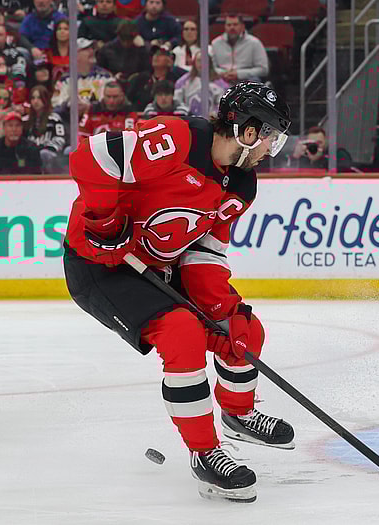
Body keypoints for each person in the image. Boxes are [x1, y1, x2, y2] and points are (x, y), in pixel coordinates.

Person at [62, 81, 295, 503]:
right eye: (269, 137)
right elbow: (91, 156)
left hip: (157, 266)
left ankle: (239, 414)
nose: (269, 149)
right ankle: (205, 453)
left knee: (242, 328)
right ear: (246, 130)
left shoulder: (241, 186)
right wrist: (103, 220)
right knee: (183, 334)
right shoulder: (179, 140)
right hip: (99, 267)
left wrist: (223, 311)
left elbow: (206, 250)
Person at [51, 38, 114, 117]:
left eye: (92, 48)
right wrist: (70, 106)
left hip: (98, 119)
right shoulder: (65, 80)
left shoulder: (105, 77)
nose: (91, 51)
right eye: (86, 49)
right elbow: (56, 103)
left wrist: (91, 107)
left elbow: (113, 102)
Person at [210, 13, 269, 85]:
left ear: (242, 26)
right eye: (229, 25)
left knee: (254, 82)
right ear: (225, 27)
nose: (232, 27)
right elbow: (211, 67)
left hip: (247, 79)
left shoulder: (254, 43)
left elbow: (263, 69)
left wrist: (238, 74)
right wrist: (223, 73)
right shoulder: (216, 43)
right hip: (222, 79)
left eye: (235, 24)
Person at [126, 46, 183, 112]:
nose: (156, 56)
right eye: (155, 54)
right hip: (142, 116)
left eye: (161, 55)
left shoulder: (175, 80)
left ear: (170, 61)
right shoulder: (141, 78)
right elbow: (129, 98)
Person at [174, 50, 229, 117]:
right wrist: (187, 112)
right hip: (188, 118)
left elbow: (222, 104)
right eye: (199, 60)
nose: (202, 63)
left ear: (209, 63)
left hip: (211, 119)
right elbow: (177, 101)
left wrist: (213, 114)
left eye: (204, 60)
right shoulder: (182, 81)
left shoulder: (220, 84)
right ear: (194, 63)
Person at [24, 84, 65, 172]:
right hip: (30, 153)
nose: (35, 101)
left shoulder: (54, 118)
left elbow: (60, 139)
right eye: (33, 98)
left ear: (45, 99)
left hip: (50, 154)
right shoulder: (25, 120)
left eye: (39, 98)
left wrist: (46, 148)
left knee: (43, 154)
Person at [97, 19, 151, 86]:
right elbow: (99, 70)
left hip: (136, 84)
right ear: (118, 35)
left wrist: (142, 49)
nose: (126, 43)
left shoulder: (143, 48)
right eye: (123, 39)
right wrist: (112, 75)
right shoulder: (107, 49)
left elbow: (148, 71)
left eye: (130, 39)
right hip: (112, 83)